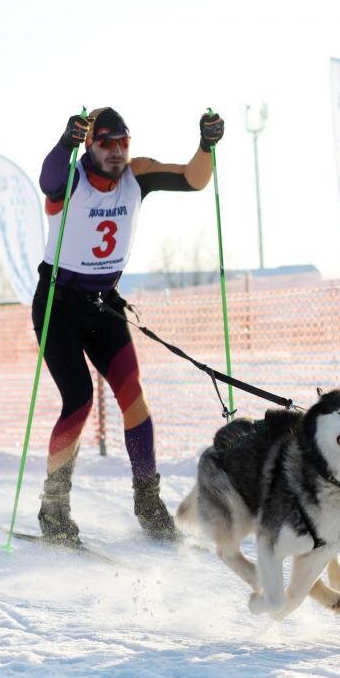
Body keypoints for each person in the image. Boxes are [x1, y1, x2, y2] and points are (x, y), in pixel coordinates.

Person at [33, 106, 224, 544]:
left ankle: (148, 501)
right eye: (106, 142)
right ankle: (54, 510)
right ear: (90, 144)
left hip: (103, 302)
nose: (117, 151)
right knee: (78, 400)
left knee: (133, 397)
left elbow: (195, 180)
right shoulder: (72, 179)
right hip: (58, 304)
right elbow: (48, 181)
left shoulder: (137, 175)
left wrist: (206, 145)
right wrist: (64, 142)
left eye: (123, 142)